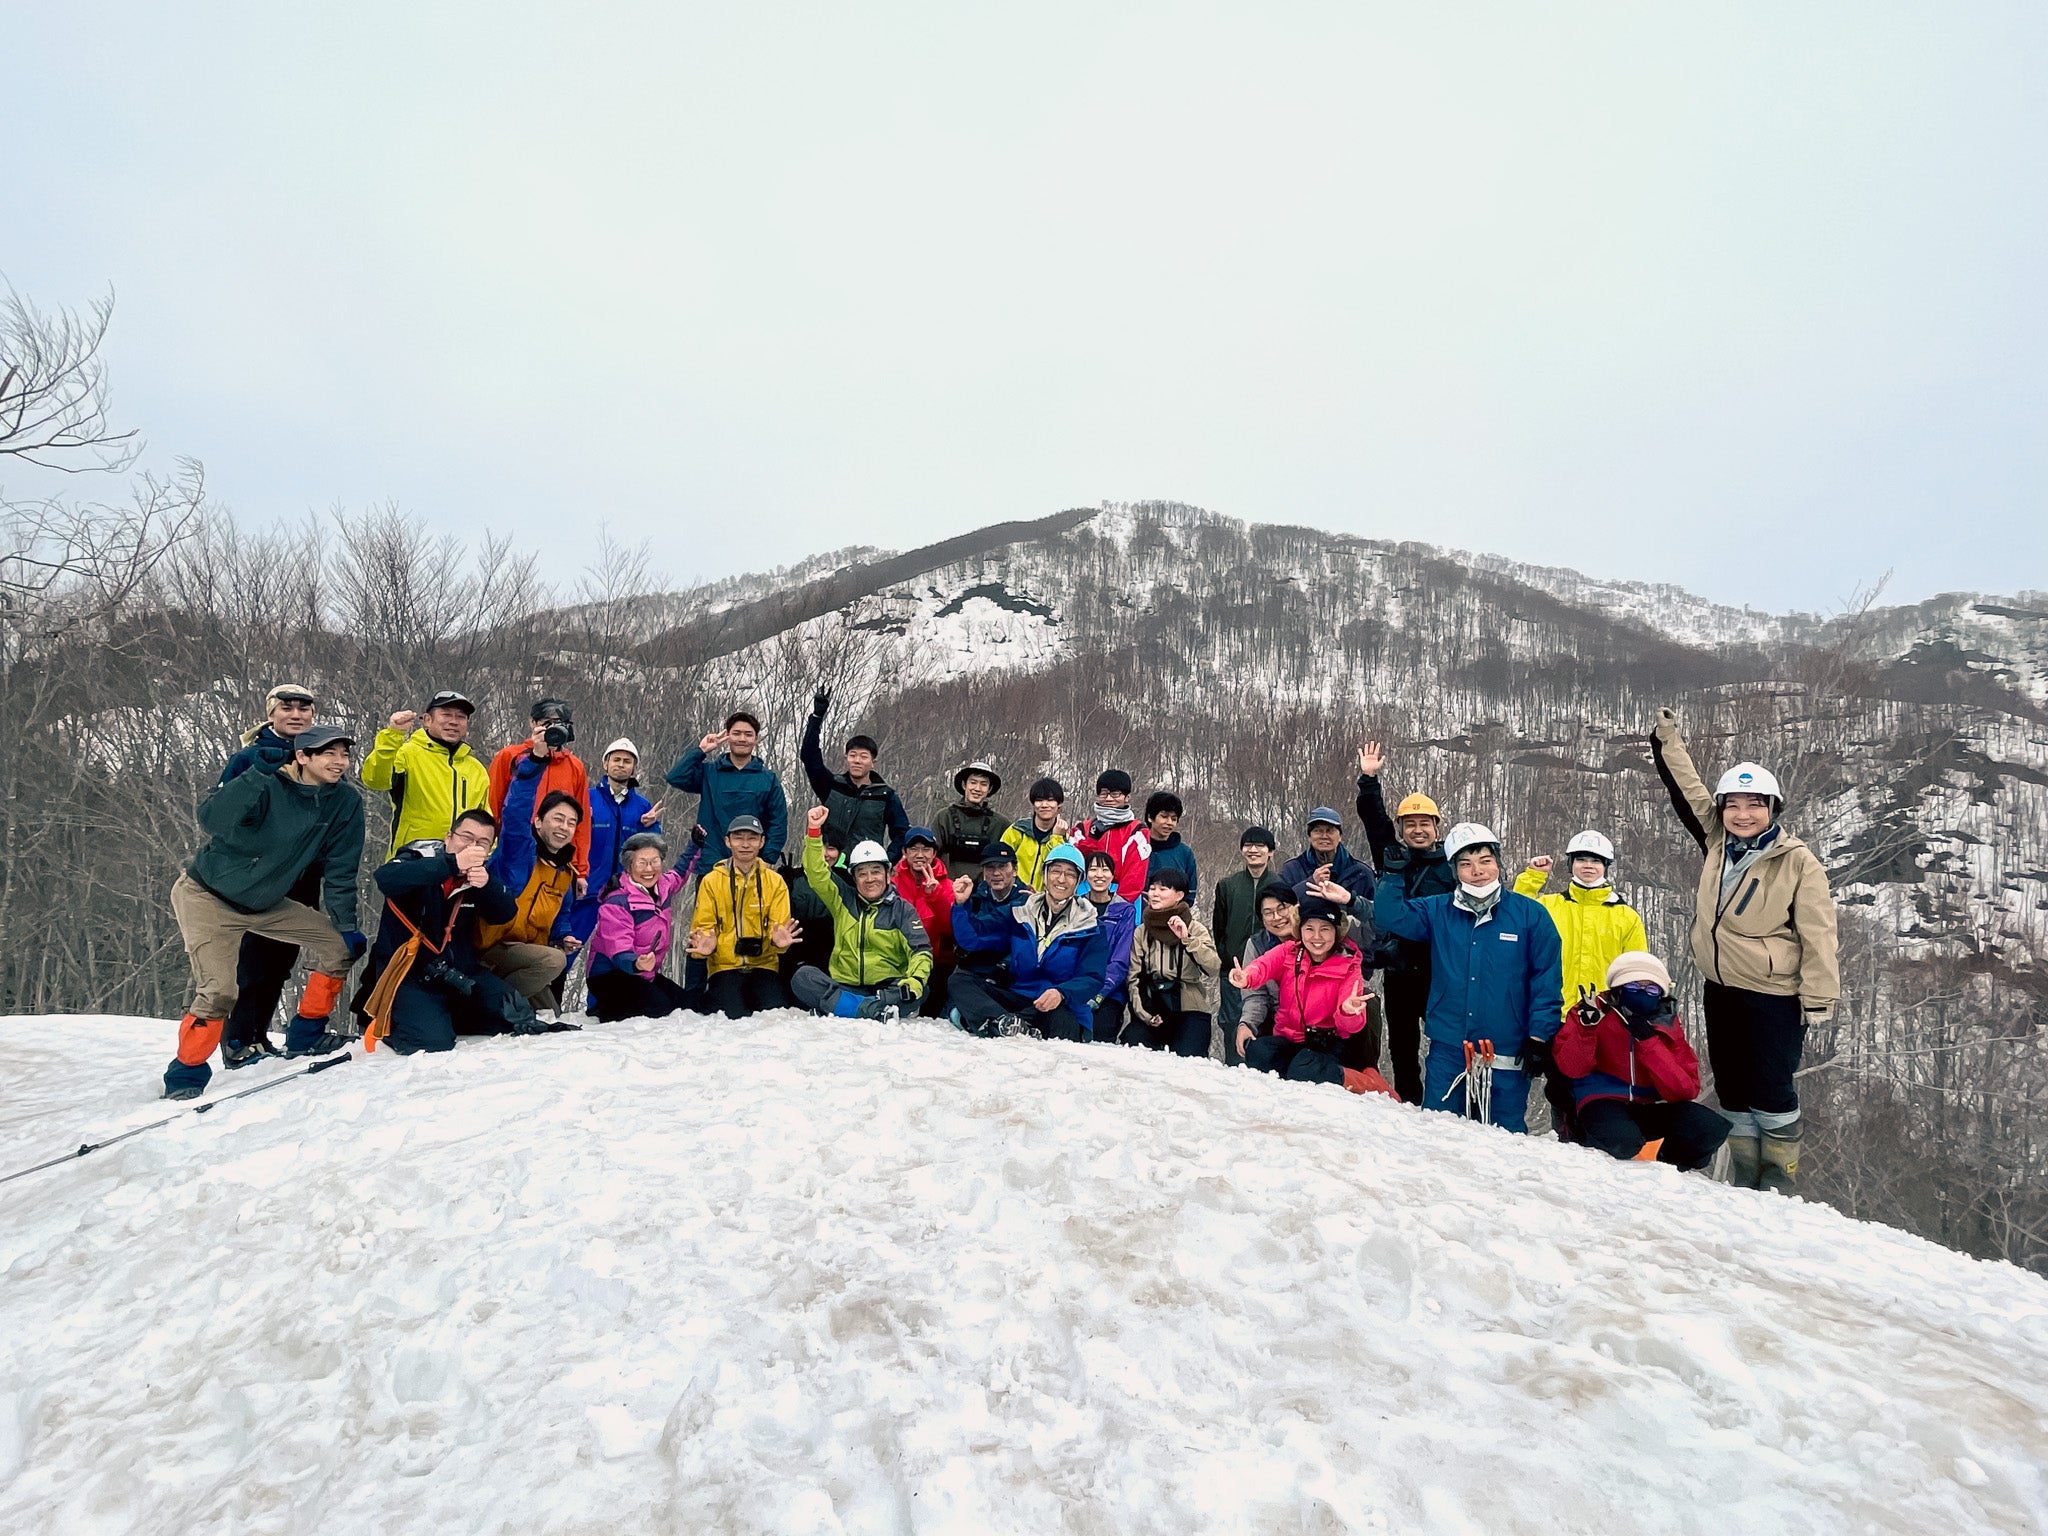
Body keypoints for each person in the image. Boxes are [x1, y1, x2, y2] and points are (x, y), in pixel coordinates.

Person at [1650, 708, 1839, 1193]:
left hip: (1774, 994)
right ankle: (1745, 1175)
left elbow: (1819, 934)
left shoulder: (1798, 862)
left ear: (1773, 808)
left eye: (1755, 804)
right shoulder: (1717, 842)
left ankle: (1778, 1181)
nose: (1742, 814)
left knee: (1771, 1088)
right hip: (1721, 988)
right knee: (1732, 1087)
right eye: (1733, 804)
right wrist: (1667, 739)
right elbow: (1686, 791)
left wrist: (1819, 997)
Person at [162, 724, 366, 1099]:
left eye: (345, 754)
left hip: (266, 903)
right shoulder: (267, 783)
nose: (340, 762)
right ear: (302, 757)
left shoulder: (345, 802)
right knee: (220, 992)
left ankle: (306, 1034)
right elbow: (211, 820)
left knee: (341, 947)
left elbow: (341, 867)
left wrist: (346, 923)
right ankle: (185, 1075)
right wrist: (254, 775)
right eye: (329, 754)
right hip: (207, 897)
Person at [1373, 822, 1563, 1133]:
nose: (1477, 870)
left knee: (1505, 1138)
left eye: (1485, 860)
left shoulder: (1530, 915)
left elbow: (1546, 978)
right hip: (1450, 1048)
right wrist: (1392, 877)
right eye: (1466, 864)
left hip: (1506, 1049)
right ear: (1454, 870)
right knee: (1440, 1133)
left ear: (1498, 863)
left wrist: (1539, 1035)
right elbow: (1390, 917)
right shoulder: (1439, 910)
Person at [358, 808, 550, 1053]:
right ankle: (404, 1022)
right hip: (410, 974)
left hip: (459, 971)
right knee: (431, 1044)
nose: (472, 846)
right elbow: (386, 878)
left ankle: (441, 1018)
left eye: (482, 842)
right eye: (466, 838)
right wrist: (451, 864)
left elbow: (505, 913)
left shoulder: (479, 876)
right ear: (449, 837)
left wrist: (487, 886)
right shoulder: (418, 858)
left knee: (516, 1015)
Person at [213, 682, 319, 1067]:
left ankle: (259, 1036)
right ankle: (237, 1039)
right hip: (260, 872)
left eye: (303, 709)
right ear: (270, 713)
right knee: (254, 958)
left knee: (282, 958)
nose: (296, 715)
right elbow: (224, 812)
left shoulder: (315, 753)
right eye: (287, 707)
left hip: (304, 872)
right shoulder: (248, 757)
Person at [1552, 952, 1731, 1172]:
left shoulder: (1666, 1023)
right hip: (1602, 1100)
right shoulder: (1592, 1011)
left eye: (1651, 989)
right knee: (1622, 1141)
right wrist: (1587, 1029)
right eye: (1634, 986)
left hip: (1651, 1104)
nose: (1642, 993)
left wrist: (1649, 1042)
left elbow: (1686, 1089)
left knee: (1709, 1127)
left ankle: (1670, 1171)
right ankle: (1581, 1136)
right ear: (1618, 988)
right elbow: (1572, 1068)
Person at [948, 844, 1107, 1042]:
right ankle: (1006, 1023)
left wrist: (1061, 993)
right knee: (960, 980)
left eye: (1070, 874)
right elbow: (972, 939)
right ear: (1045, 875)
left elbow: (1092, 977)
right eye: (1055, 871)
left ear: (1078, 882)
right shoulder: (1020, 912)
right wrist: (962, 905)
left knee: (1061, 1023)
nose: (1061, 879)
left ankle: (997, 1024)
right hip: (1020, 998)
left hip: (1061, 1007)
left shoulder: (1091, 926)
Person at [790, 805, 933, 1019]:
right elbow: (816, 872)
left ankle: (843, 1007)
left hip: (886, 989)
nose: (869, 879)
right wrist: (813, 832)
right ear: (854, 878)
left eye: (876, 871)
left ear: (888, 874)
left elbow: (921, 951)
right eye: (862, 873)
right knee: (803, 978)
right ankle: (871, 1010)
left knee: (919, 990)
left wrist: (914, 981)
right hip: (846, 984)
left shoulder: (902, 909)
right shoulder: (843, 899)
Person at [1231, 895, 1374, 1085]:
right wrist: (1247, 977)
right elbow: (1263, 965)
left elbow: (1352, 1025)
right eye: (1309, 929)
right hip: (1292, 1038)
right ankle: (1298, 1071)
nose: (1316, 937)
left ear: (1336, 932)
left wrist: (1348, 1011)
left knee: (1303, 1068)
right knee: (1259, 1052)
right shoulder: (1290, 951)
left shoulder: (1348, 963)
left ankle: (1365, 1081)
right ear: (1300, 930)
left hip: (1329, 1043)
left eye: (1325, 929)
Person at [1513, 831, 1649, 1016]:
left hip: (1603, 1017)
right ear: (1571, 864)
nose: (1588, 866)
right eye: (1581, 860)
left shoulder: (1626, 917)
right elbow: (1517, 915)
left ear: (1605, 866)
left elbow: (1637, 970)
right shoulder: (1549, 906)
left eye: (1596, 861)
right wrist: (1532, 878)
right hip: (1552, 1014)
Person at [476, 789, 582, 1014]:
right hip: (491, 949)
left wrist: (564, 937)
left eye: (571, 823)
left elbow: (561, 916)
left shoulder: (565, 874)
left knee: (550, 1016)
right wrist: (533, 766)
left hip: (526, 956)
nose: (564, 827)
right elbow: (514, 817)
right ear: (538, 821)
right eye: (558, 819)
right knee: (554, 961)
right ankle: (485, 1008)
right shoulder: (520, 856)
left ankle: (499, 1003)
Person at [683, 816, 799, 1019]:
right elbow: (703, 928)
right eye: (738, 838)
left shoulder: (775, 882)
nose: (745, 844)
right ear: (728, 841)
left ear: (762, 842)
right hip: (724, 967)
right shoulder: (711, 881)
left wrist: (779, 943)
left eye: (752, 839)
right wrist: (706, 946)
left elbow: (780, 930)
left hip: (764, 965)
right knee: (732, 1017)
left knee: (775, 1015)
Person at [361, 689, 491, 856]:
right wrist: (393, 735)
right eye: (446, 715)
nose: (454, 722)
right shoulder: (406, 754)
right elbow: (375, 779)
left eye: (460, 717)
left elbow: (486, 821)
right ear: (428, 720)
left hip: (461, 867)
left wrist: (484, 856)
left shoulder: (476, 768)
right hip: (412, 861)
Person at [569, 737, 664, 946]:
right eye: (616, 759)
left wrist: (651, 827)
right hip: (587, 888)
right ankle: (555, 979)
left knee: (617, 950)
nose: (621, 765)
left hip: (623, 895)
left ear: (633, 769)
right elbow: (571, 840)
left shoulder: (642, 806)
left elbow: (650, 850)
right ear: (606, 763)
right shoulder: (587, 798)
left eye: (627, 761)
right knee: (570, 944)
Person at [487, 697, 593, 886]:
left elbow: (580, 822)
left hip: (556, 856)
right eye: (547, 724)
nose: (554, 729)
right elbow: (493, 806)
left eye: (560, 724)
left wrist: (580, 869)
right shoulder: (509, 756)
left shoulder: (575, 766)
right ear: (533, 723)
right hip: (515, 851)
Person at [666, 711, 789, 868]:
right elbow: (676, 777)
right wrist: (700, 750)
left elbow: (778, 822)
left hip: (752, 866)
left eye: (748, 734)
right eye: (736, 733)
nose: (742, 739)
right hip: (711, 864)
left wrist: (767, 858)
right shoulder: (709, 773)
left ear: (756, 739)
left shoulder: (768, 779)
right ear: (728, 737)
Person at [1121, 866, 1221, 1057]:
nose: (1155, 894)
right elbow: (1133, 978)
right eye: (1152, 888)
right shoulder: (1141, 931)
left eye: (1163, 889)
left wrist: (1187, 938)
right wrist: (1146, 1016)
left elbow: (1213, 967)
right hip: (1153, 1007)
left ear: (1179, 895)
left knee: (1190, 1060)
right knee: (1132, 1046)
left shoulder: (1194, 927)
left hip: (1190, 1008)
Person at [799, 687, 909, 861]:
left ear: (873, 762)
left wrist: (886, 861)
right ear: (846, 759)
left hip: (865, 870)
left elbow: (901, 832)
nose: (857, 760)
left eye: (864, 756)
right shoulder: (832, 786)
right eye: (853, 755)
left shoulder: (886, 795)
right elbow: (809, 756)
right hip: (829, 867)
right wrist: (817, 718)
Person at [1210, 826, 1281, 1067]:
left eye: (1260, 846)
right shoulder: (1227, 885)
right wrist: (1227, 957)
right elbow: (1218, 928)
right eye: (1248, 845)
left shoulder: (1280, 885)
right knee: (1232, 1021)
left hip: (1272, 968)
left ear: (1271, 852)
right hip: (1234, 968)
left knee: (1268, 1019)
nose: (1253, 850)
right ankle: (1234, 1070)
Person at [893, 828, 957, 1016]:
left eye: (926, 849)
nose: (920, 855)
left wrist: (934, 896)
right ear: (904, 852)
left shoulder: (949, 887)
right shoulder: (891, 885)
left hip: (936, 965)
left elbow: (952, 928)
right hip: (897, 963)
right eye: (913, 849)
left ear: (934, 853)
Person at [1233, 885, 1300, 1059]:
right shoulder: (1257, 945)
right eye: (1268, 913)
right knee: (1257, 1051)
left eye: (1282, 908)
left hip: (1312, 1019)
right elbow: (1256, 996)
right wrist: (1246, 1024)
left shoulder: (1313, 938)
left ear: (1296, 907)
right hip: (1276, 1017)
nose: (1276, 917)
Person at [949, 841, 1029, 986]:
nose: (996, 873)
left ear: (1015, 870)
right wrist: (961, 904)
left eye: (1003, 866)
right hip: (975, 968)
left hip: (1011, 975)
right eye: (990, 867)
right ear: (984, 872)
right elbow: (967, 940)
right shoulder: (976, 896)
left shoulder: (1026, 901)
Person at [1079, 847, 1137, 1042]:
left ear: (1113, 876)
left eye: (1105, 870)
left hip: (1111, 991)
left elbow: (1121, 960)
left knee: (1101, 1032)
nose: (1099, 875)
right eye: (1094, 869)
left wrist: (1101, 992)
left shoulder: (1125, 910)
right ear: (1086, 875)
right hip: (1078, 985)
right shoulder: (1076, 906)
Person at [1071, 770, 1149, 898]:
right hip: (1084, 894)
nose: (1108, 798)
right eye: (1104, 794)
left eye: (1115, 794)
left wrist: (1118, 907)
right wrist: (1092, 839)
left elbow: (1134, 876)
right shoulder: (1082, 829)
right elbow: (1074, 863)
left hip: (1123, 899)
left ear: (1127, 797)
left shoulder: (1137, 831)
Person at [932, 760, 1005, 869]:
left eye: (983, 784)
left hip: (986, 885)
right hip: (948, 884)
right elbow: (931, 855)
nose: (977, 789)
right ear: (964, 785)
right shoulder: (944, 818)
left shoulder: (1000, 824)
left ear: (989, 789)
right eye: (973, 782)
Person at [1001, 777, 1069, 890]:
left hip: (1045, 900)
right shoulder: (1018, 830)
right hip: (1014, 894)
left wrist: (1056, 838)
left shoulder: (1064, 836)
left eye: (1050, 800)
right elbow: (1000, 862)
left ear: (1059, 804)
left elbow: (1059, 868)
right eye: (1039, 800)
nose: (1044, 805)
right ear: (1033, 804)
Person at [1138, 791, 1198, 899]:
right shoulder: (1136, 847)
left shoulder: (1184, 853)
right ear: (1150, 817)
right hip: (1136, 912)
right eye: (1164, 816)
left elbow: (1190, 893)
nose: (1169, 822)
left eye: (1174, 819)